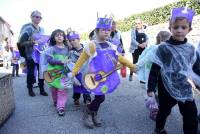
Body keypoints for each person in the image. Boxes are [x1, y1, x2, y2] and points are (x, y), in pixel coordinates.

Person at [71, 17, 136, 128]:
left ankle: (93, 113)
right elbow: (81, 60)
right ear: (97, 31)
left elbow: (119, 58)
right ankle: (89, 113)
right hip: (93, 77)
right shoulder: (91, 45)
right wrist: (73, 73)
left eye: (108, 29)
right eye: (103, 29)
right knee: (100, 97)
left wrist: (131, 65)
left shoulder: (111, 45)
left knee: (100, 97)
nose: (107, 31)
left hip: (106, 77)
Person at [147, 7, 200, 134]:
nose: (179, 30)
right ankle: (159, 128)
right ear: (170, 28)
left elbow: (196, 67)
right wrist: (151, 88)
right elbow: (155, 68)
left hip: (184, 86)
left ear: (189, 29)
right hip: (166, 86)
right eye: (175, 27)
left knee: (191, 115)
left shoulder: (191, 49)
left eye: (183, 27)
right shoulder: (163, 48)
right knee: (164, 111)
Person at [136, 31, 171, 121]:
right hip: (154, 74)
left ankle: (157, 107)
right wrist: (136, 67)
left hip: (158, 75)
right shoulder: (155, 48)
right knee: (153, 91)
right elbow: (145, 59)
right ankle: (154, 109)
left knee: (156, 91)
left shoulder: (167, 49)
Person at [18, 10, 48, 97]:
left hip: (41, 54)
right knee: (31, 72)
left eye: (40, 17)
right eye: (37, 16)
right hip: (30, 55)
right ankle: (30, 89)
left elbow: (43, 41)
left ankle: (42, 89)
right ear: (31, 17)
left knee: (41, 72)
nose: (39, 18)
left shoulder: (42, 29)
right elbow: (21, 43)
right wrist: (33, 42)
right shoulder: (27, 28)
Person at [45, 29, 72, 116]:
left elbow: (70, 59)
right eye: (57, 35)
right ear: (54, 38)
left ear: (64, 37)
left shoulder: (68, 48)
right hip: (53, 73)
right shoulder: (51, 49)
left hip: (64, 73)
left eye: (61, 35)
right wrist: (61, 61)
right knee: (54, 89)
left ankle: (61, 106)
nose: (59, 36)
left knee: (62, 89)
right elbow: (49, 60)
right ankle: (56, 101)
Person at [67, 31, 91, 106]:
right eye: (70, 41)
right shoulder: (70, 52)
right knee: (77, 88)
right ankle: (76, 98)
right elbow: (69, 64)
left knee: (86, 87)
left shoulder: (86, 49)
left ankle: (87, 100)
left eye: (74, 40)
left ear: (79, 39)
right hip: (76, 73)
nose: (72, 42)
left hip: (86, 71)